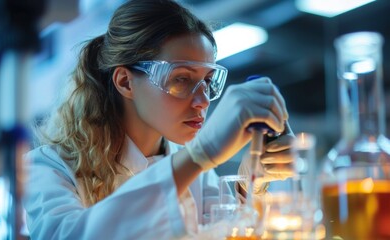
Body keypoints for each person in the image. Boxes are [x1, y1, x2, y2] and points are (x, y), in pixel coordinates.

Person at [23, 0, 293, 239]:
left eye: (207, 81)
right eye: (182, 79)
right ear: (125, 82)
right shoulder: (50, 166)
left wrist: (253, 180)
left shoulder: (196, 174)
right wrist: (199, 155)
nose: (203, 101)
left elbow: (232, 231)